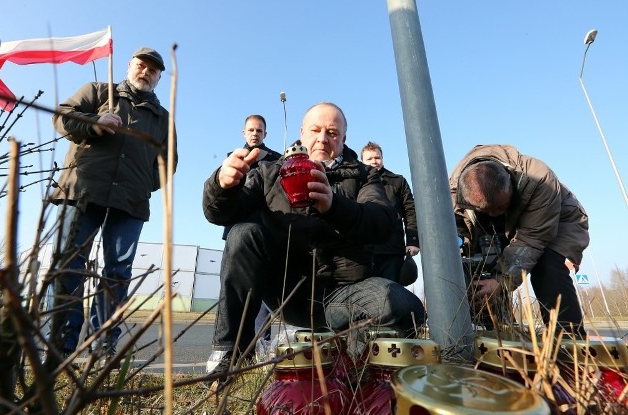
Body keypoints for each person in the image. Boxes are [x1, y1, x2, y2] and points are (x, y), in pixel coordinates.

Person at [203, 102, 426, 378]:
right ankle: (230, 352)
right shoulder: (269, 170)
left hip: (343, 293)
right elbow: (220, 214)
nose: (323, 138)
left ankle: (356, 368)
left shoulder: (364, 175)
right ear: (302, 133)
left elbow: (382, 222)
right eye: (315, 130)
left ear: (343, 140)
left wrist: (335, 207)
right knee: (242, 233)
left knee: (406, 307)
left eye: (332, 133)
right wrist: (222, 185)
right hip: (286, 291)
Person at [48, 47, 178, 364]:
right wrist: (94, 122)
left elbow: (168, 161)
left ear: (159, 77)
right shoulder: (99, 91)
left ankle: (103, 343)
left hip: (130, 203)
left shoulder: (162, 118)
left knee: (117, 273)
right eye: (140, 65)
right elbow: (62, 117)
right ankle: (59, 342)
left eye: (153, 69)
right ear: (129, 66)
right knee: (69, 264)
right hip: (81, 189)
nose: (145, 71)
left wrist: (139, 184)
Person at [449, 144, 589, 335]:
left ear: (510, 182)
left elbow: (532, 240)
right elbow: (455, 231)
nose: (495, 213)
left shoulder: (540, 178)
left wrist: (502, 280)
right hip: (500, 230)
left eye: (500, 206)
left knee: (547, 266)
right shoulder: (451, 192)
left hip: (557, 222)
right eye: (488, 210)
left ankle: (568, 338)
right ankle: (493, 331)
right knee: (477, 267)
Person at [223, 114, 282, 342]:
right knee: (236, 289)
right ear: (244, 133)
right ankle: (233, 345)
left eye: (259, 130)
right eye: (251, 130)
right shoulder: (233, 159)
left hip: (266, 233)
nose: (255, 134)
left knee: (264, 291)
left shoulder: (276, 160)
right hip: (237, 232)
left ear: (265, 134)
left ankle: (262, 343)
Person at [360, 141, 420, 284]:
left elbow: (410, 211)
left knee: (391, 292)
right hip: (364, 250)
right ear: (362, 161)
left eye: (377, 157)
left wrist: (413, 241)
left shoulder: (398, 181)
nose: (374, 161)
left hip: (392, 249)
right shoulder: (356, 182)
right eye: (369, 159)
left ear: (382, 158)